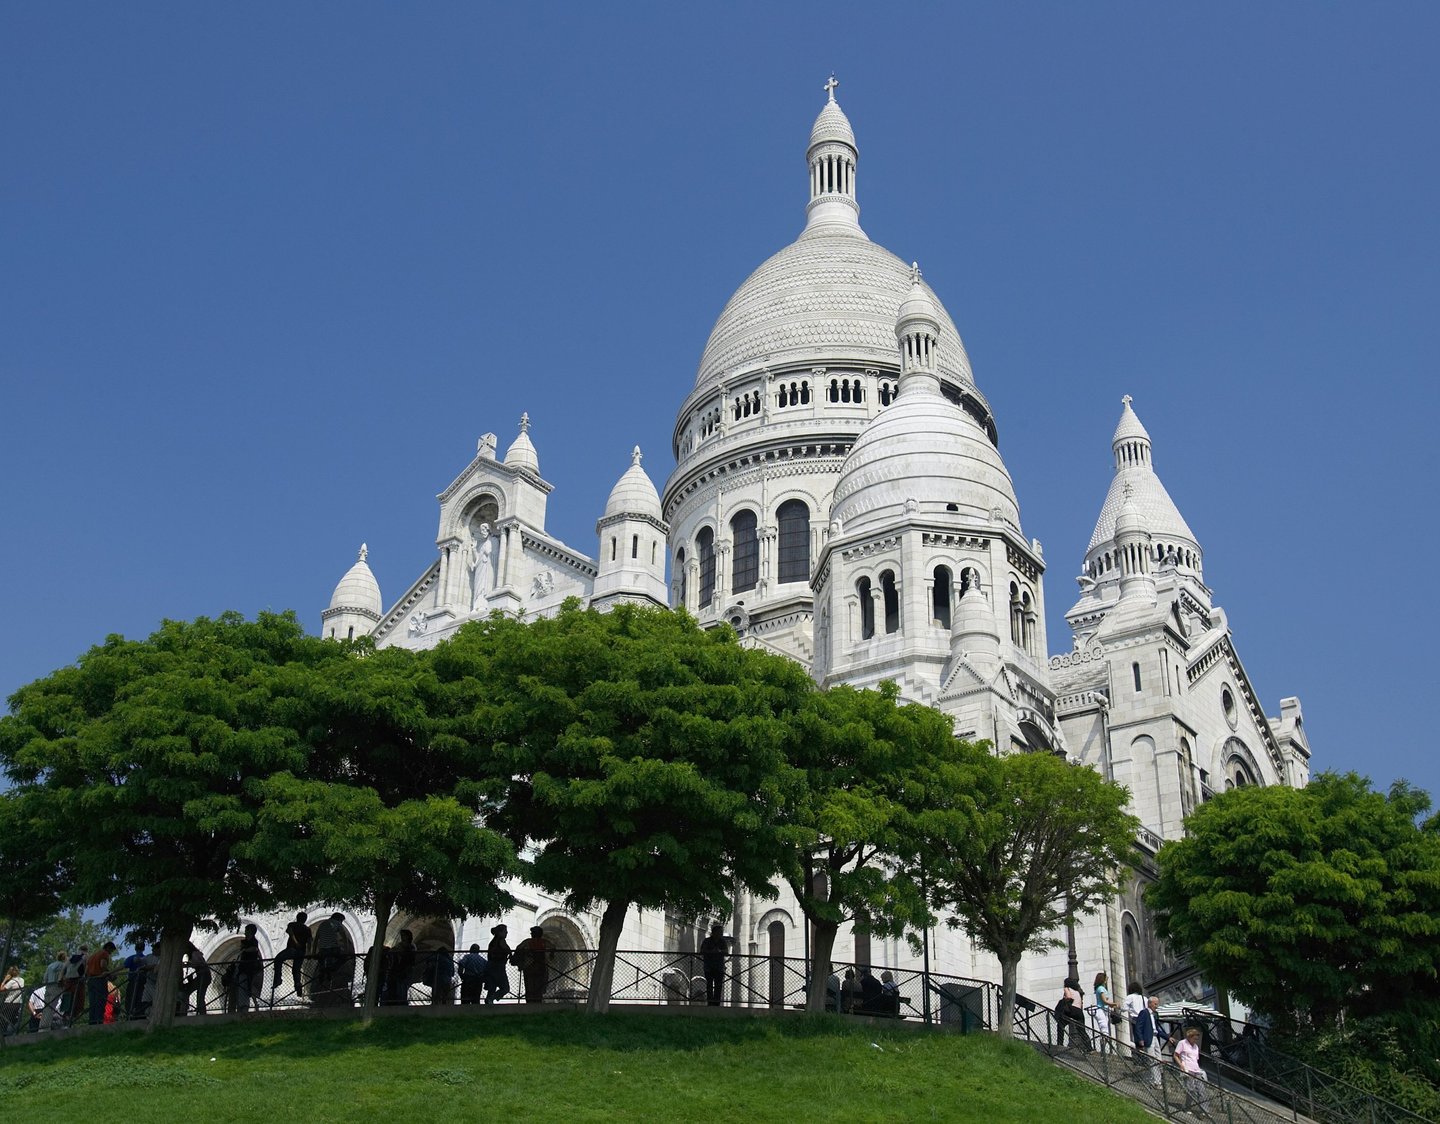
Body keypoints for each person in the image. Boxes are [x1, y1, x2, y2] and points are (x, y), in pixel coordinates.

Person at [1175, 1026, 1212, 1116]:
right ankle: (1187, 1106)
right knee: (1191, 1090)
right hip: (1187, 1069)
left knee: (1201, 1090)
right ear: (1190, 1037)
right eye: (1194, 1038)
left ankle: (1205, 1111)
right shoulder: (1182, 1043)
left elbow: (1196, 1059)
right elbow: (1176, 1055)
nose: (1195, 1041)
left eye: (1196, 1039)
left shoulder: (1195, 1046)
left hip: (1196, 1069)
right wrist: (1181, 1065)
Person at [272, 911, 310, 998]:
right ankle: (298, 986)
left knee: (278, 958)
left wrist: (295, 942)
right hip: (302, 952)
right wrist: (309, 953)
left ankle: (278, 979)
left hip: (292, 949)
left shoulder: (292, 924)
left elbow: (290, 932)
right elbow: (310, 941)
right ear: (305, 920)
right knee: (296, 969)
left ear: (297, 918)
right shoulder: (307, 929)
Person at [514, 926, 552, 1004]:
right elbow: (553, 948)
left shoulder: (527, 942)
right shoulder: (545, 942)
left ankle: (530, 1001)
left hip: (529, 966)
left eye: (532, 932)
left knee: (529, 985)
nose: (531, 934)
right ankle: (538, 1001)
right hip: (541, 967)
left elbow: (518, 948)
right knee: (539, 985)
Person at [1134, 996, 1163, 1087]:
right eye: (1155, 1004)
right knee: (1152, 1059)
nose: (1156, 1006)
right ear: (1150, 1004)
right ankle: (1155, 1081)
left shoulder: (1154, 1015)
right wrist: (1140, 1039)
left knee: (1159, 1059)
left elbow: (1156, 1029)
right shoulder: (1144, 1013)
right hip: (1149, 1038)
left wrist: (1168, 1037)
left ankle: (1157, 1079)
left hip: (1155, 1038)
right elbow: (1138, 1026)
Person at [85, 942, 116, 1025]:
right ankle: (98, 1021)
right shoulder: (104, 954)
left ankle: (92, 1022)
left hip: (91, 980)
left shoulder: (93, 955)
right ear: (108, 948)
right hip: (99, 980)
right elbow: (102, 965)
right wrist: (110, 974)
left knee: (92, 1002)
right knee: (100, 1001)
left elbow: (86, 969)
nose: (110, 953)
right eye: (111, 951)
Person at [699, 922, 729, 1006]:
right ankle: (710, 1002)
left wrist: (719, 951)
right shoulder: (707, 941)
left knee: (718, 986)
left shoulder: (722, 941)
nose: (721, 934)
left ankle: (716, 1003)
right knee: (709, 985)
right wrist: (711, 952)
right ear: (714, 932)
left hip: (719, 967)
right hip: (709, 966)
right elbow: (702, 951)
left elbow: (726, 952)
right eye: (720, 932)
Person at [313, 912, 345, 993]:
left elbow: (316, 939)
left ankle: (323, 971)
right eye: (342, 921)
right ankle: (330, 969)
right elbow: (344, 936)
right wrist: (346, 949)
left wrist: (313, 952)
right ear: (339, 919)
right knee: (343, 957)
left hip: (322, 950)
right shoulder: (337, 923)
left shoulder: (322, 924)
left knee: (323, 961)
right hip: (333, 949)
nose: (341, 923)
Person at [385, 929, 417, 1005]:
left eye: (404, 935)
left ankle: (402, 1002)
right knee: (397, 986)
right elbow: (392, 951)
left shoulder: (411, 946)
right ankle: (395, 1002)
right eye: (401, 936)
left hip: (405, 969)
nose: (402, 937)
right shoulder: (400, 945)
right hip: (397, 969)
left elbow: (411, 956)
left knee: (403, 986)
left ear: (408, 936)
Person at [179, 943, 212, 1015]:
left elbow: (199, 964)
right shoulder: (195, 954)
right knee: (189, 992)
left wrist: (188, 964)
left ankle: (202, 1014)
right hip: (201, 976)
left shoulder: (194, 954)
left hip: (203, 976)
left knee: (200, 997)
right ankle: (185, 1010)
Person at [237, 923, 263, 1012]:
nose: (245, 932)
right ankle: (244, 1005)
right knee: (244, 986)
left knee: (250, 986)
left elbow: (255, 949)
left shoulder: (254, 941)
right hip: (244, 967)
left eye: (246, 930)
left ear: (250, 931)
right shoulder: (244, 942)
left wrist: (245, 950)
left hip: (250, 967)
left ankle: (253, 1005)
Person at [1092, 971, 1118, 1053]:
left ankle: (1104, 1048)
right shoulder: (1101, 988)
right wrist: (1114, 1004)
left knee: (1105, 1029)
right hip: (1101, 1010)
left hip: (1105, 1010)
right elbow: (1104, 1001)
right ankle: (1103, 1048)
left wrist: (1111, 1005)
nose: (1106, 980)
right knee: (1104, 1029)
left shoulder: (1101, 988)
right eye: (1106, 979)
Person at [40, 949, 66, 1030]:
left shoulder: (50, 966)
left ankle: (42, 1027)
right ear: (64, 957)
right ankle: (50, 1027)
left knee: (46, 1008)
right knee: (55, 1008)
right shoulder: (63, 965)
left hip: (48, 988)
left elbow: (45, 979)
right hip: (57, 988)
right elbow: (62, 978)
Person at [485, 924, 511, 1004]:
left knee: (492, 986)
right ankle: (492, 998)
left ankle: (488, 1001)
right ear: (500, 932)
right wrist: (510, 953)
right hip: (498, 966)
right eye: (505, 931)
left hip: (491, 965)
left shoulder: (493, 941)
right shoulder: (501, 940)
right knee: (505, 988)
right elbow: (506, 949)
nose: (507, 933)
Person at [122, 941, 148, 1020]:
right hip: (143, 982)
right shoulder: (146, 958)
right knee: (140, 998)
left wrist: (111, 972)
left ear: (135, 948)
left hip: (133, 981)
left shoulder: (131, 958)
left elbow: (123, 966)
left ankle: (130, 1015)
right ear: (143, 948)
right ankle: (140, 1015)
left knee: (130, 998)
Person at [1, 966, 24, 1035]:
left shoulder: (11, 982)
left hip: (9, 1003)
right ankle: (12, 1034)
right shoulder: (22, 980)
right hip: (18, 1003)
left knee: (3, 1020)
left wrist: (4, 980)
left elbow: (1, 989)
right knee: (13, 1020)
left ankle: (3, 1035)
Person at [1123, 980, 1145, 1049]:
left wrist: (1130, 1010)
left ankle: (1138, 1053)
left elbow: (1124, 1008)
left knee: (1137, 1036)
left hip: (1135, 1018)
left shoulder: (1130, 997)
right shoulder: (1144, 998)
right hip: (1144, 1019)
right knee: (1143, 1036)